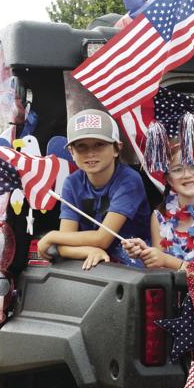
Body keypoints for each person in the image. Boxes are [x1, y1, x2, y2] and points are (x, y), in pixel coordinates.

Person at [37, 109, 151, 270]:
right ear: (71, 152)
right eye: (81, 147)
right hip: (91, 255)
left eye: (99, 145)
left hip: (131, 254)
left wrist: (51, 236)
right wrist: (89, 250)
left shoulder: (129, 180)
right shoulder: (72, 183)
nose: (90, 153)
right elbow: (65, 242)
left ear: (117, 149)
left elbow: (103, 238)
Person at [124, 125, 194, 270]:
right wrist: (146, 253)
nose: (187, 175)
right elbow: (159, 270)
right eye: (177, 169)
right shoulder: (159, 217)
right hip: (169, 290)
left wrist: (165, 260)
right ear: (169, 179)